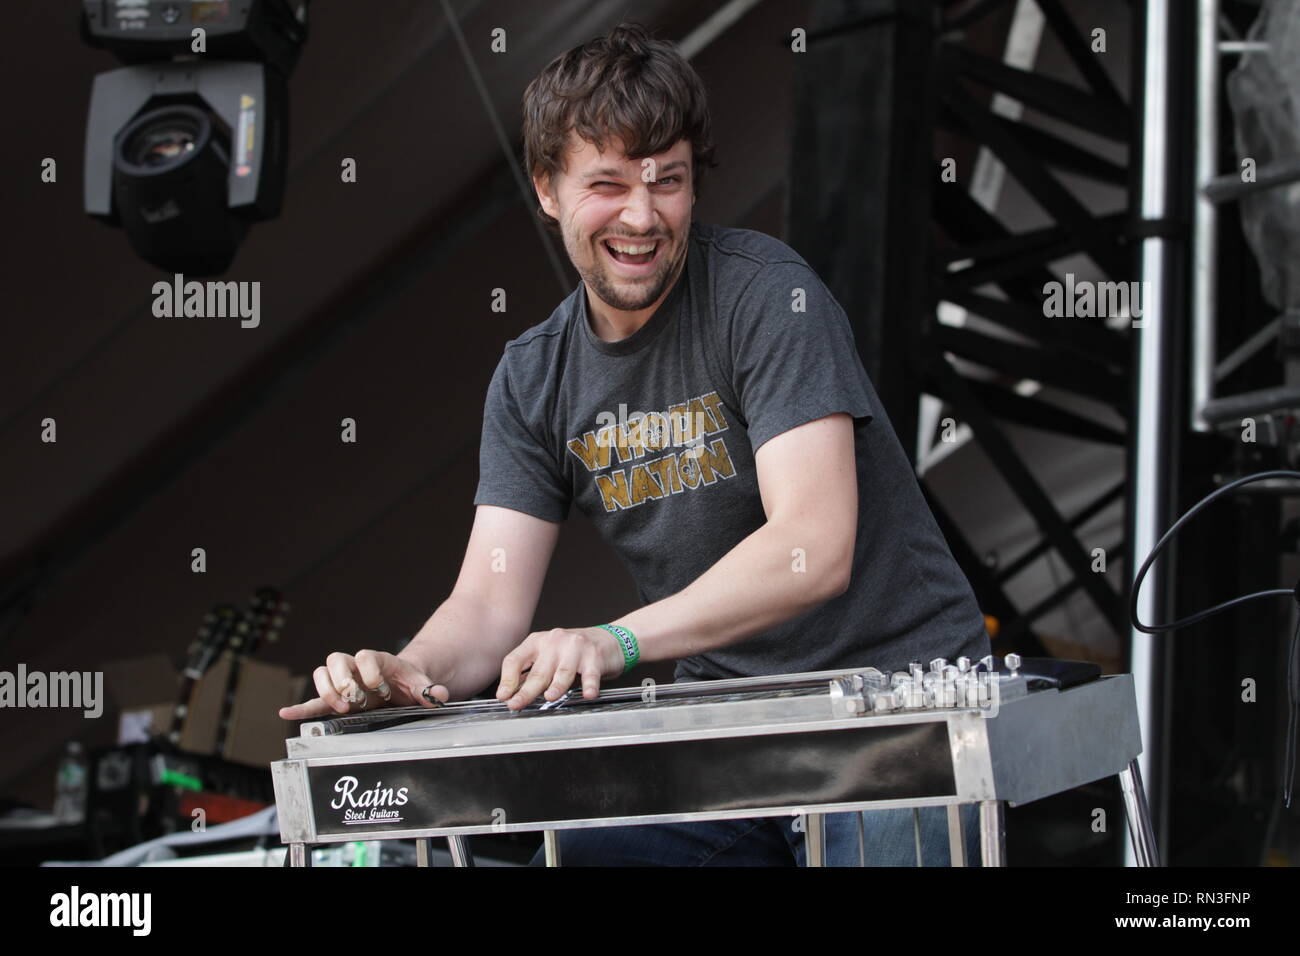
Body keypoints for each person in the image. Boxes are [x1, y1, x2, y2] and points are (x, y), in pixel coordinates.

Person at [280, 22, 991, 866]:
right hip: (722, 735)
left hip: (894, 716)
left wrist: (613, 640)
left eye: (669, 182)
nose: (642, 216)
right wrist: (406, 673)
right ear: (546, 189)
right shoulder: (532, 377)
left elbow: (814, 545)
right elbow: (487, 607)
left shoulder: (766, 298)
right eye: (608, 184)